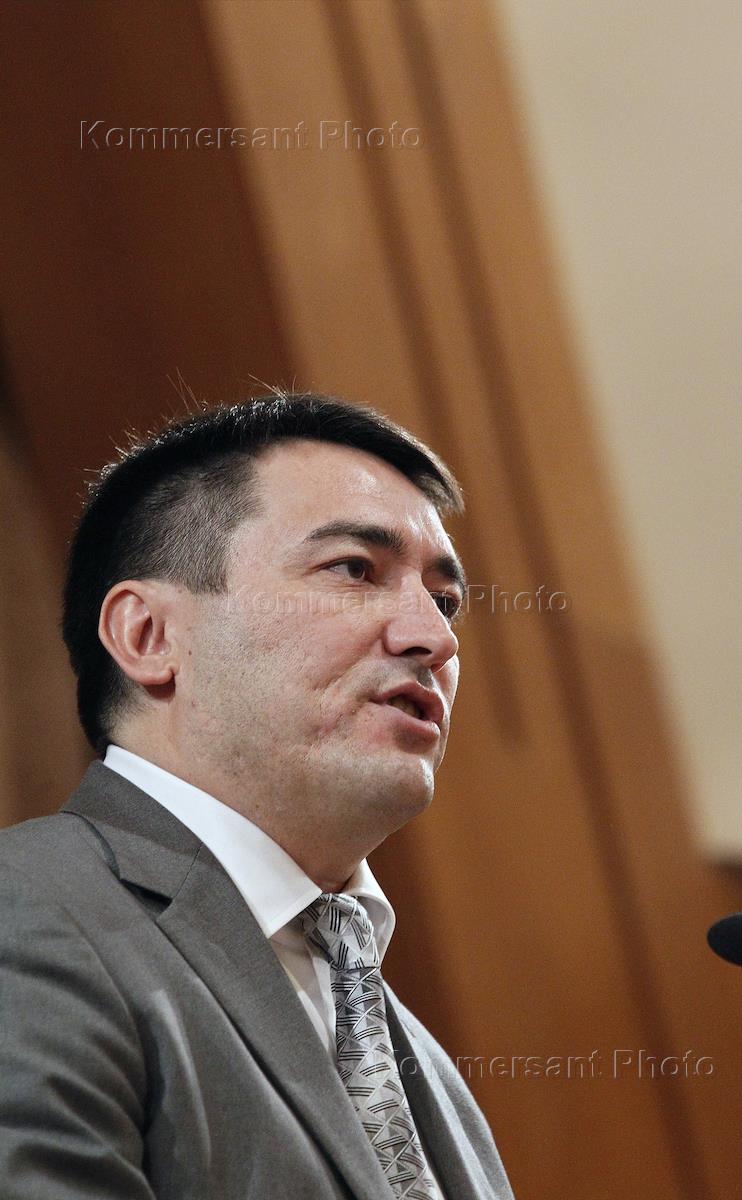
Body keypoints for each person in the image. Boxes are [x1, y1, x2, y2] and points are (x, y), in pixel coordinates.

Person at [0, 392, 514, 1199]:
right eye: (354, 569)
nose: (435, 638)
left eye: (445, 602)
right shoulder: (29, 909)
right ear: (149, 636)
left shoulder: (409, 1049)